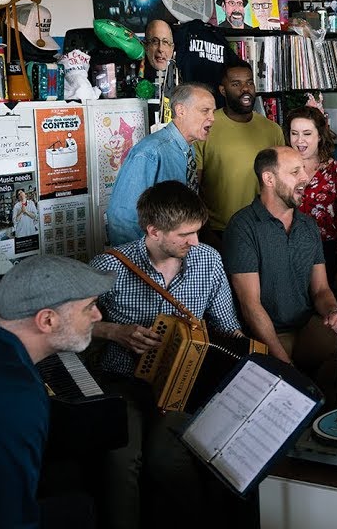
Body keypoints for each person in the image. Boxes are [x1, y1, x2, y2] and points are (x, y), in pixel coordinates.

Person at [89, 181, 246, 529]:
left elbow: (226, 327)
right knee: (120, 456)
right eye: (185, 235)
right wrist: (114, 332)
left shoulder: (208, 260)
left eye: (197, 232)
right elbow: (70, 329)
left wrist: (249, 358)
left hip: (185, 385)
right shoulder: (108, 266)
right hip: (123, 382)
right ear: (154, 230)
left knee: (165, 457)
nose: (195, 242)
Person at [0, 256, 113, 529]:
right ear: (47, 320)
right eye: (89, 307)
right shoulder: (16, 400)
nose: (98, 316)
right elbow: (8, 519)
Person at [223, 146, 337, 402]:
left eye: (303, 169)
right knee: (283, 381)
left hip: (305, 327)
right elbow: (250, 305)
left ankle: (318, 404)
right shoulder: (243, 227)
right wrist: (284, 363)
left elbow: (321, 290)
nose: (305, 177)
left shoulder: (308, 225)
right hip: (267, 334)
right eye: (295, 171)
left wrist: (333, 312)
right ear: (269, 179)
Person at [105, 82, 215, 246]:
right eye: (205, 111)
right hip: (148, 260)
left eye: (213, 111)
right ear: (180, 110)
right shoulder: (150, 153)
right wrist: (137, 265)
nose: (212, 118)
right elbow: (122, 219)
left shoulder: (189, 150)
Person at [193, 59, 285, 250]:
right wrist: (205, 232)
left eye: (249, 82)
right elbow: (194, 187)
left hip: (263, 229)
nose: (245, 89)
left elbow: (281, 185)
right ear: (222, 90)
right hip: (218, 232)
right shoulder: (206, 128)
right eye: (236, 84)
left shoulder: (272, 129)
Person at [285, 106, 337, 288]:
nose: (300, 140)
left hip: (326, 252)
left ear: (320, 136)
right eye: (294, 133)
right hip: (286, 249)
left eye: (307, 133)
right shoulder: (280, 170)